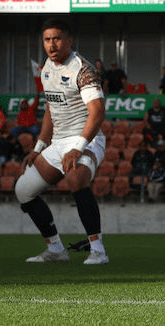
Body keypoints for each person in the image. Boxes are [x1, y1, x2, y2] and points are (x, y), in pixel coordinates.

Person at [14, 18, 109, 265]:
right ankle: (55, 248)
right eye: (47, 39)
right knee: (23, 190)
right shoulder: (46, 67)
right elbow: (50, 109)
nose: (51, 44)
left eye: (57, 39)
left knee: (76, 177)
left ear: (69, 40)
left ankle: (98, 250)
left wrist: (78, 149)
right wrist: (39, 147)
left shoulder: (83, 69)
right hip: (57, 143)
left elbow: (97, 111)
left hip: (86, 139)